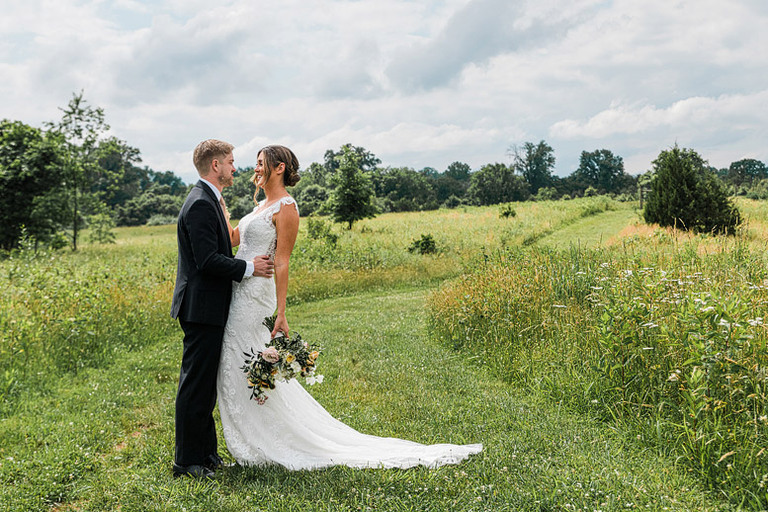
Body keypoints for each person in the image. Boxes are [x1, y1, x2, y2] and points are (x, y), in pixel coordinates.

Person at [216, 144, 482, 470]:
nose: (255, 169)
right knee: (239, 357)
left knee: (245, 355)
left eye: (260, 163)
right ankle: (252, 434)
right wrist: (219, 207)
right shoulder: (259, 207)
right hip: (239, 289)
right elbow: (232, 240)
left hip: (257, 294)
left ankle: (265, 439)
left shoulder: (286, 208)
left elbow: (283, 262)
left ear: (279, 167)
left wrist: (282, 312)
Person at [170, 139, 275, 479]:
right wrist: (249, 268)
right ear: (215, 165)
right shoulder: (200, 203)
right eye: (230, 161)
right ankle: (186, 462)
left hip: (208, 307)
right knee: (195, 386)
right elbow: (207, 260)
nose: (234, 167)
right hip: (201, 308)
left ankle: (207, 455)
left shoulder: (209, 199)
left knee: (205, 386)